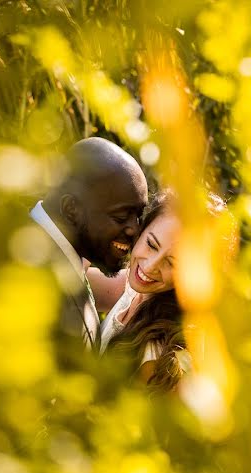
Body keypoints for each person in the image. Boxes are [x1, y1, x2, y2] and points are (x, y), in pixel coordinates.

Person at [90, 188, 231, 390]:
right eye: (151, 244)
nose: (149, 266)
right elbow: (71, 276)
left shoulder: (159, 354)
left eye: (172, 263)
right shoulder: (138, 291)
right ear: (142, 230)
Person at [29, 137, 148, 349]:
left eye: (138, 216)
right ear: (71, 209)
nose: (134, 230)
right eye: (121, 217)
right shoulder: (36, 283)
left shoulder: (55, 251)